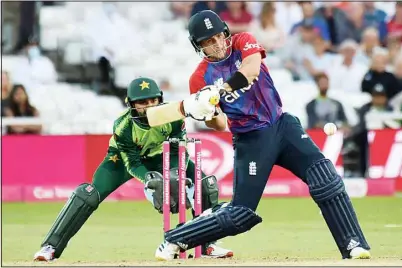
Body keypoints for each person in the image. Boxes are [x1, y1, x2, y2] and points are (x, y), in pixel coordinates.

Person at [154, 10, 371, 261]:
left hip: (282, 125)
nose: (217, 45)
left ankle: (353, 244)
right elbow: (219, 123)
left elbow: (251, 70)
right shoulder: (199, 78)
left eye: (218, 37)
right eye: (208, 42)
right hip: (251, 139)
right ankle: (176, 239)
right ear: (198, 46)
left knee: (326, 178)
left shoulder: (242, 40)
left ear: (225, 33)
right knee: (241, 215)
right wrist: (205, 112)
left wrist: (220, 91)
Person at [33, 77, 232, 261]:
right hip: (120, 160)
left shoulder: (173, 115)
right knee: (87, 194)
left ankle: (208, 245)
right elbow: (132, 163)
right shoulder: (123, 126)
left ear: (159, 100)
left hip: (163, 155)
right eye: (142, 103)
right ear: (131, 104)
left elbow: (178, 151)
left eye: (152, 101)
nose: (148, 107)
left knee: (206, 185)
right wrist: (150, 179)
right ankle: (50, 247)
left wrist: (175, 175)